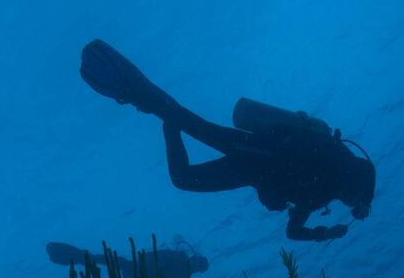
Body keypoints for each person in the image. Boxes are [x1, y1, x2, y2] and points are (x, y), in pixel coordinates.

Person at [80, 39, 376, 242]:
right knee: (191, 131)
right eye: (358, 202)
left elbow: (292, 231)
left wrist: (323, 234)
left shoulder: (322, 192)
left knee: (184, 170)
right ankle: (146, 99)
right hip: (256, 152)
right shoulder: (334, 172)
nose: (352, 206)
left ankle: (155, 106)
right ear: (357, 187)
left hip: (250, 167)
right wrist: (365, 199)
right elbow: (355, 170)